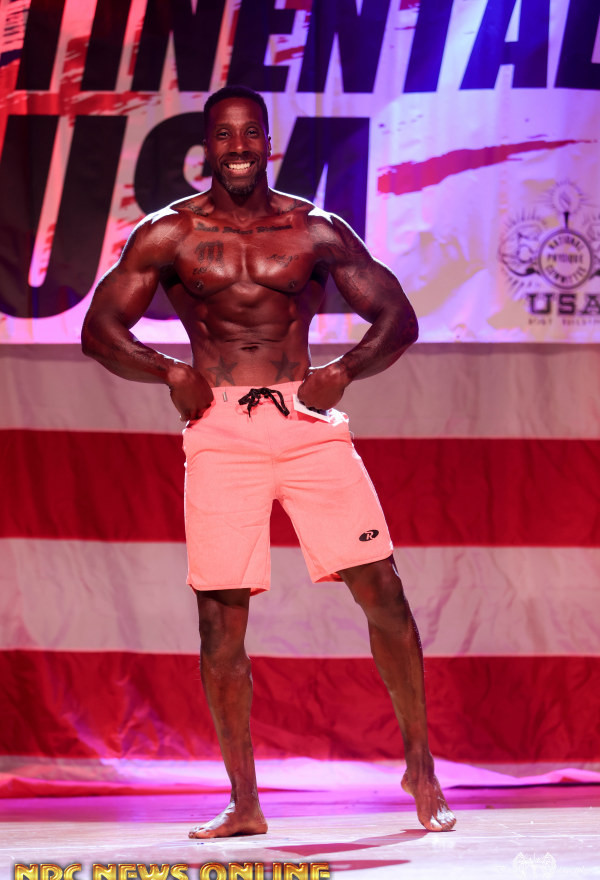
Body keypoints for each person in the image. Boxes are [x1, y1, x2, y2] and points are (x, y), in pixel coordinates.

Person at [82, 85, 456, 836]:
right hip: (220, 428)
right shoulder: (169, 232)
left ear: (267, 141)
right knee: (220, 621)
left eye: (250, 133)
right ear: (207, 145)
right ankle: (245, 801)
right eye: (225, 136)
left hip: (306, 420)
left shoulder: (313, 228)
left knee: (382, 589)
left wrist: (344, 369)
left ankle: (420, 765)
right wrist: (169, 371)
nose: (238, 148)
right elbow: (99, 330)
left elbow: (398, 316)